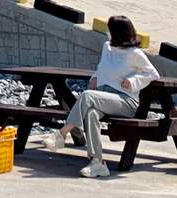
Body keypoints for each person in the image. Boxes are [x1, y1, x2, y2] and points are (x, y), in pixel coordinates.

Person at [48, 14, 158, 178]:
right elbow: (102, 68)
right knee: (91, 113)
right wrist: (95, 77)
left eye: (110, 29)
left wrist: (133, 81)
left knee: (87, 96)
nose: (107, 32)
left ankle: (62, 133)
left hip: (125, 101)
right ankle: (97, 163)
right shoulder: (107, 47)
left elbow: (153, 74)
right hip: (104, 96)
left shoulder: (135, 53)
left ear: (118, 33)